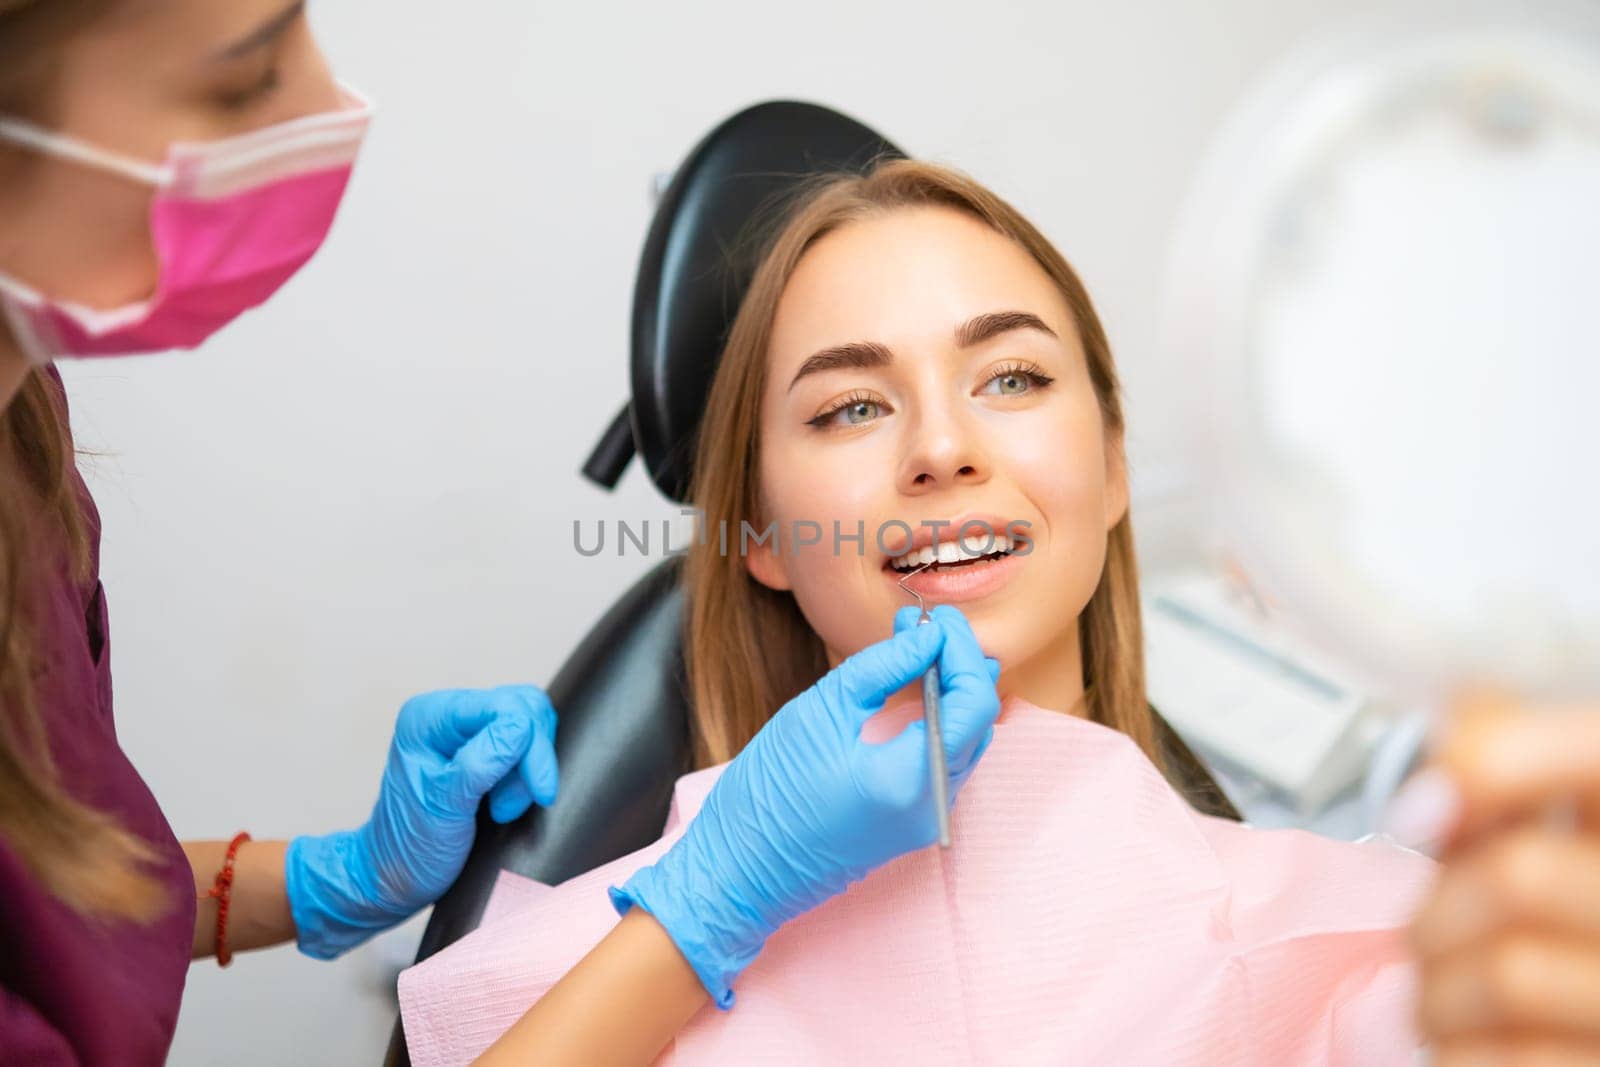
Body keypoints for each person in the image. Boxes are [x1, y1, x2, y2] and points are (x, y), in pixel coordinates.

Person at [465, 160, 1600, 1065]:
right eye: (852, 405)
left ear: (1112, 467)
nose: (942, 448)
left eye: (1009, 377)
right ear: (759, 534)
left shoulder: (1368, 948)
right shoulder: (614, 968)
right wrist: (699, 911)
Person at [0, 4, 565, 1063]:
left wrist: (335, 875)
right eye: (245, 79)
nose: (325, 108)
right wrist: (702, 912)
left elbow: (45, 908)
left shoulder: (22, 428)